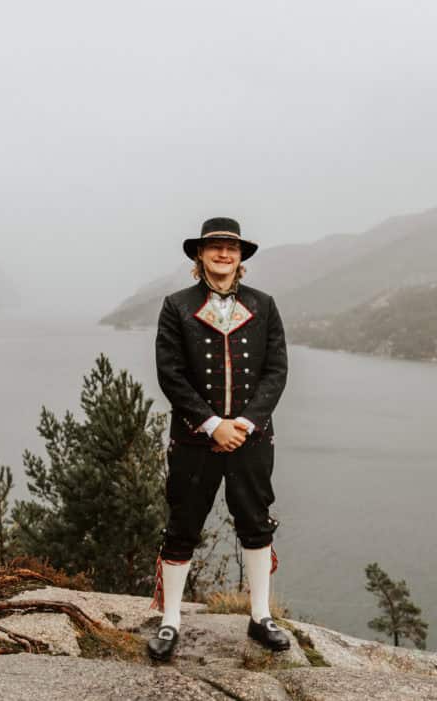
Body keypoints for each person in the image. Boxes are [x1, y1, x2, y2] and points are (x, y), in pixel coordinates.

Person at [147, 216, 289, 662]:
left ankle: (261, 616)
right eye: (215, 247)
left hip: (250, 438)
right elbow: (171, 374)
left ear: (241, 256)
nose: (224, 254)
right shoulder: (176, 306)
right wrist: (213, 424)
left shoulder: (264, 305)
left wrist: (243, 423)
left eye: (232, 247)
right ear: (200, 254)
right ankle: (170, 620)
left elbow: (276, 371)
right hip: (195, 439)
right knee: (183, 525)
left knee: (256, 522)